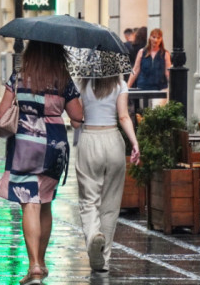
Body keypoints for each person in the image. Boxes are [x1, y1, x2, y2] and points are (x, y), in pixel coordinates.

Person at [0, 41, 83, 285]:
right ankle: (42, 264)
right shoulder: (63, 78)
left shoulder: (19, 76)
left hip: (25, 145)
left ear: (31, 51)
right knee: (45, 203)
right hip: (54, 147)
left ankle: (34, 265)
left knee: (30, 204)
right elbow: (77, 117)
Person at [75, 75, 140, 275]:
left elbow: (76, 120)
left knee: (89, 199)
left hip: (89, 139)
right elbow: (123, 117)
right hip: (113, 140)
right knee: (111, 204)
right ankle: (103, 260)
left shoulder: (82, 83)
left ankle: (94, 235)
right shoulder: (120, 84)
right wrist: (135, 143)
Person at [127, 28, 172, 107]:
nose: (156, 40)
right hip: (143, 88)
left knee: (156, 110)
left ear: (161, 39)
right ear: (150, 38)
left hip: (160, 88)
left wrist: (172, 87)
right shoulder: (142, 52)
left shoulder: (165, 54)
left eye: (158, 38)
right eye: (154, 37)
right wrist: (127, 86)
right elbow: (135, 69)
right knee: (143, 113)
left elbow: (168, 72)